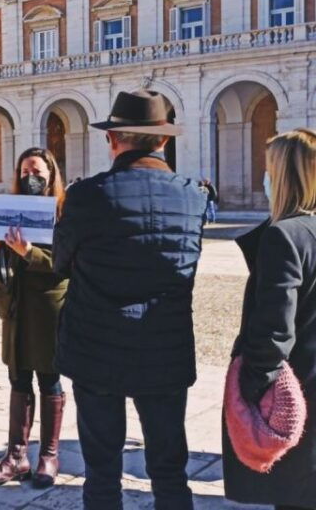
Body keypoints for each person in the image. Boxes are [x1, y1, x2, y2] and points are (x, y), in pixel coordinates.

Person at [53, 90, 207, 510]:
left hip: (96, 346)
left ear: (114, 139)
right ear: (162, 140)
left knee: (102, 470)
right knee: (169, 468)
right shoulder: (195, 197)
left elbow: (60, 264)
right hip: (165, 346)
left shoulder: (85, 195)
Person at [223, 128, 316, 510]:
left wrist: (252, 386)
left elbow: (275, 328)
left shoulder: (285, 236)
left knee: (293, 495)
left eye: (269, 168)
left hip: (297, 386)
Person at [0, 148, 68, 488]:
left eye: (37, 170)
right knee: (18, 377)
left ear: (50, 173)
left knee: (49, 378)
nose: (30, 176)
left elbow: (66, 261)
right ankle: (16, 455)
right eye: (24, 170)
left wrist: (28, 252)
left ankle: (49, 454)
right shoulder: (11, 207)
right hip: (16, 305)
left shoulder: (64, 210)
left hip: (49, 306)